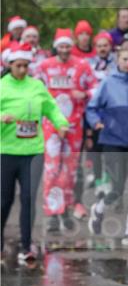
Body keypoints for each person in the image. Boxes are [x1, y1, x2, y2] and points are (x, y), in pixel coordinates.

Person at [1, 42, 69, 264]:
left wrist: (61, 124)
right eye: (18, 66)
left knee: (29, 198)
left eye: (25, 66)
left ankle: (26, 246)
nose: (22, 70)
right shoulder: (2, 86)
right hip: (7, 151)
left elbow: (51, 107)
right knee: (4, 201)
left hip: (33, 152)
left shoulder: (36, 86)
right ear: (10, 64)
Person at [86, 44, 128, 246]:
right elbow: (92, 108)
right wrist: (96, 122)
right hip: (112, 140)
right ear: (117, 61)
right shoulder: (107, 83)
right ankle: (98, 209)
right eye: (124, 59)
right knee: (117, 188)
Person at [34, 28, 95, 232]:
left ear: (72, 45)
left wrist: (84, 93)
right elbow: (34, 90)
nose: (65, 49)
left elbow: (96, 88)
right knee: (52, 169)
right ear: (55, 46)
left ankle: (66, 210)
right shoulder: (44, 66)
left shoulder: (82, 65)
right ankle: (52, 212)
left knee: (70, 170)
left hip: (74, 126)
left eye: (68, 45)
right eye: (61, 45)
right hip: (51, 126)